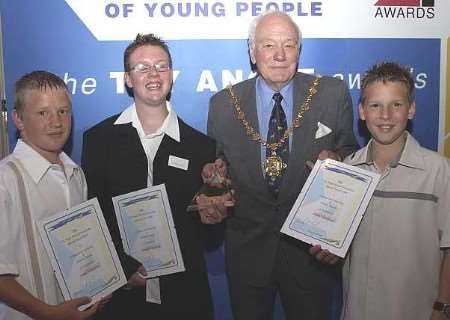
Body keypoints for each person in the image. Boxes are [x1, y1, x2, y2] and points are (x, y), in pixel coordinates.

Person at [206, 9, 359, 320]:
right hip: (247, 255)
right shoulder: (223, 104)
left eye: (288, 45)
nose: (279, 55)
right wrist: (214, 181)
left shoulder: (331, 94)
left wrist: (338, 158)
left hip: (311, 256)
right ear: (252, 52)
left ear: (299, 51)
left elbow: (351, 153)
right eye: (268, 45)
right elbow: (216, 174)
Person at [81, 33, 220, 320]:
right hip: (120, 292)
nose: (153, 74)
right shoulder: (99, 139)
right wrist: (123, 267)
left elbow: (208, 235)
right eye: (142, 67)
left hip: (184, 293)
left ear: (171, 74)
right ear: (128, 79)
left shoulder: (201, 146)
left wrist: (214, 216)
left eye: (161, 65)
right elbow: (93, 214)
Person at [341, 62, 450, 320]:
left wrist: (443, 307)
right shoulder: (346, 170)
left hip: (418, 312)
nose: (386, 115)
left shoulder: (440, 172)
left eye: (396, 105)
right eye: (375, 105)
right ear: (362, 111)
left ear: (411, 109)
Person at [0, 71, 101, 319]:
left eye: (63, 111)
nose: (56, 122)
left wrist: (99, 284)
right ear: (18, 120)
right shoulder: (6, 180)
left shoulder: (76, 175)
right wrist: (47, 313)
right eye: (42, 113)